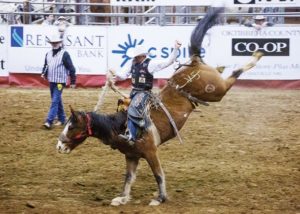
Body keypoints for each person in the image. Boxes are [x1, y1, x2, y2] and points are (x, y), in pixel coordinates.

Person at [112, 40, 182, 144]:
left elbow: (168, 62)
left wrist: (176, 49)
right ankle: (122, 130)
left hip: (144, 93)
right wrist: (114, 75)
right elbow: (123, 75)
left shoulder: (151, 64)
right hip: (134, 92)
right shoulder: (132, 63)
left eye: (137, 56)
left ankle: (132, 136)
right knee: (122, 106)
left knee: (134, 107)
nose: (135, 58)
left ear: (142, 56)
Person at [41, 34, 76, 129]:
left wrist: (73, 81)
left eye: (56, 42)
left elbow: (71, 68)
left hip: (60, 82)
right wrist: (44, 73)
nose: (54, 44)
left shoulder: (65, 54)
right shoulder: (48, 54)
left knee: (55, 100)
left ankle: (49, 121)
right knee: (57, 100)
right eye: (53, 43)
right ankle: (62, 119)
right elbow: (46, 65)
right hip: (52, 81)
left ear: (59, 43)